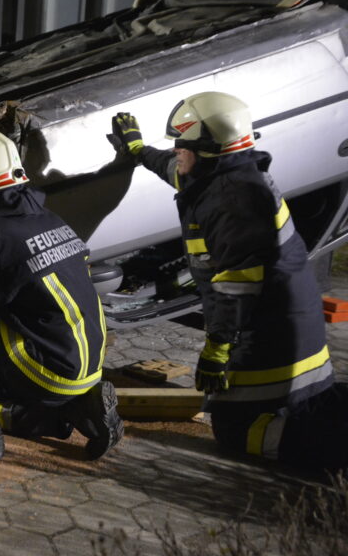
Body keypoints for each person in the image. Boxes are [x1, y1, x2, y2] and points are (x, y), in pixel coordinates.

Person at [111, 93, 347, 473]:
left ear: (205, 150)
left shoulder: (235, 201)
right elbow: (175, 169)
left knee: (238, 430)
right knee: (304, 402)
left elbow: (236, 289)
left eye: (181, 146)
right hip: (282, 317)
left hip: (273, 327)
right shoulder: (223, 174)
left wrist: (217, 348)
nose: (176, 152)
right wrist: (139, 151)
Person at [0, 128, 123, 462]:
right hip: (86, 367)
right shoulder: (49, 218)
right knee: (6, 310)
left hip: (46, 373)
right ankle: (79, 406)